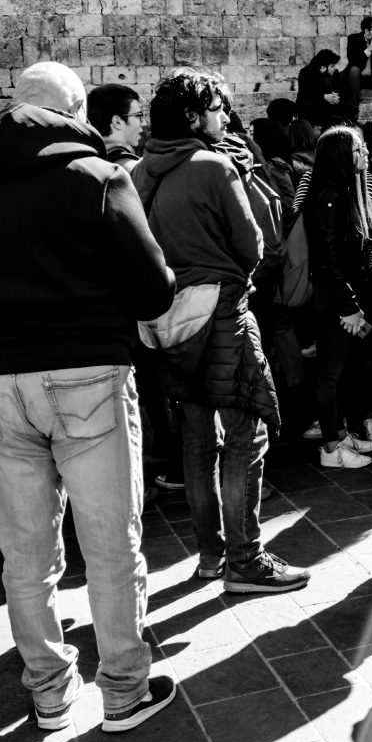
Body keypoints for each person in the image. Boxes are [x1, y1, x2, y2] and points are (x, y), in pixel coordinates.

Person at [0, 61, 180, 732]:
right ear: (76, 114)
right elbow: (155, 290)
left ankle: (48, 689)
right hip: (87, 371)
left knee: (25, 551)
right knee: (111, 542)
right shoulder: (97, 177)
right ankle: (123, 689)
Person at [132, 70, 311, 594]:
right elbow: (258, 245)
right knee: (244, 436)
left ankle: (211, 557)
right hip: (223, 313)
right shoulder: (213, 166)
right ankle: (245, 560)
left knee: (197, 439)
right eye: (216, 108)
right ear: (192, 116)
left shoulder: (142, 170)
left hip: (169, 322)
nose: (224, 116)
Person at [301, 125, 372, 469]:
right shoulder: (329, 196)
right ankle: (331, 447)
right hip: (334, 300)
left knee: (345, 368)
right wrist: (349, 305)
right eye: (359, 149)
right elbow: (328, 259)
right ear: (340, 157)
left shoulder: (347, 192)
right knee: (330, 372)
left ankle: (340, 433)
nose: (365, 154)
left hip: (344, 297)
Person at [87, 83, 145, 168]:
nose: (143, 123)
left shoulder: (85, 162)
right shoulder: (131, 170)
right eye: (138, 115)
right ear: (117, 122)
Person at [297, 50, 353, 128]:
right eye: (332, 66)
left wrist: (335, 96)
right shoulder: (305, 73)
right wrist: (324, 97)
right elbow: (305, 96)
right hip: (312, 108)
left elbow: (339, 90)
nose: (335, 68)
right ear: (323, 67)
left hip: (328, 108)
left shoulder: (334, 73)